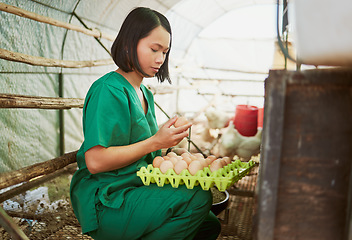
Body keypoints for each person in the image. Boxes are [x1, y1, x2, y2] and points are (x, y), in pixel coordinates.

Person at [70, 7, 221, 240]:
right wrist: (154, 143)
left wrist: (170, 149)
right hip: (108, 200)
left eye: (165, 52)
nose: (160, 58)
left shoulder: (144, 93)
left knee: (209, 224)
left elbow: (141, 148)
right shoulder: (109, 90)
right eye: (154, 49)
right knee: (198, 199)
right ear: (129, 44)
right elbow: (95, 161)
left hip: (136, 189)